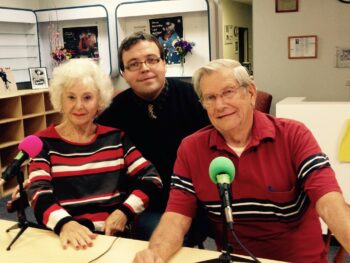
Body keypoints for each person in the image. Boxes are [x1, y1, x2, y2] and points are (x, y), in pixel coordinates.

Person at [133, 59, 350, 262]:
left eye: (228, 92)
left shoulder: (294, 135)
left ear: (251, 93)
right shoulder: (191, 148)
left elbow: (329, 203)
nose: (220, 105)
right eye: (210, 98)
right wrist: (155, 253)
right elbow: (177, 217)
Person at [26, 58, 162, 250]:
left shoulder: (116, 138)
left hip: (112, 235)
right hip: (64, 236)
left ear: (100, 101)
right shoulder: (43, 143)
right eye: (71, 97)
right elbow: (38, 192)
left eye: (87, 97)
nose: (79, 106)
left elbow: (152, 179)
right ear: (60, 100)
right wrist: (65, 224)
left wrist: (124, 212)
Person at [96, 31, 210, 241]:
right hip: (143, 204)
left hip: (193, 199)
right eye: (134, 64)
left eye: (151, 60)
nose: (145, 68)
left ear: (164, 63)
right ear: (124, 73)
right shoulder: (113, 113)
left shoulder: (197, 99)